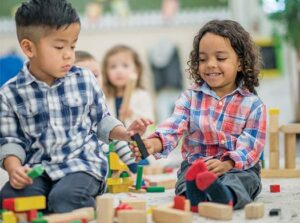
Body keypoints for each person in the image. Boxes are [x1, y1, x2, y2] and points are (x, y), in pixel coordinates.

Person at [0, 0, 152, 213]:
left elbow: (102, 120)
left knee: (66, 199)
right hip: (39, 169)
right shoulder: (9, 93)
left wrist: (125, 133)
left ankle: (71, 202)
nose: (69, 54)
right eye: (59, 47)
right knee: (10, 200)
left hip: (82, 165)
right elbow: (10, 140)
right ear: (29, 48)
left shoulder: (84, 79)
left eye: (73, 46)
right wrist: (14, 169)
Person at [131, 19, 266, 212]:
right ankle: (195, 196)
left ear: (240, 64)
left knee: (243, 181)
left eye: (220, 58)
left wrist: (227, 163)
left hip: (236, 167)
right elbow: (174, 125)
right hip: (197, 165)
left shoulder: (253, 104)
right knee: (184, 182)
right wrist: (154, 143)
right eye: (203, 59)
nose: (210, 65)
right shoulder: (190, 97)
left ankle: (224, 195)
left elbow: (251, 145)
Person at [75, 50, 138, 174]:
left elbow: (112, 130)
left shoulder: (99, 101)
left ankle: (132, 168)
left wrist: (132, 165)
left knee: (117, 138)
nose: (92, 80)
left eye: (96, 75)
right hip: (87, 156)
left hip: (108, 149)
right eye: (84, 77)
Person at [101, 45, 155, 127]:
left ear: (137, 70)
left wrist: (132, 113)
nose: (119, 71)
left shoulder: (142, 95)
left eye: (125, 65)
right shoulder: (105, 97)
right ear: (106, 72)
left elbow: (150, 120)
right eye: (113, 67)